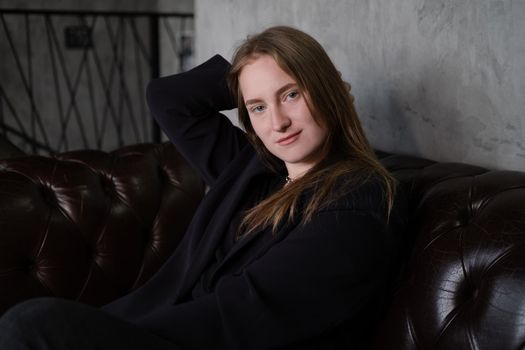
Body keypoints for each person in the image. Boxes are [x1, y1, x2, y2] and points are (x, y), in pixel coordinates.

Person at [0, 26, 403, 349]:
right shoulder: (256, 165)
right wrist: (249, 77)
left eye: (292, 94)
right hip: (160, 326)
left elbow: (242, 313)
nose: (277, 122)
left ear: (328, 90)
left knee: (30, 323)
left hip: (195, 339)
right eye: (258, 107)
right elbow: (167, 98)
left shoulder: (352, 204)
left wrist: (118, 333)